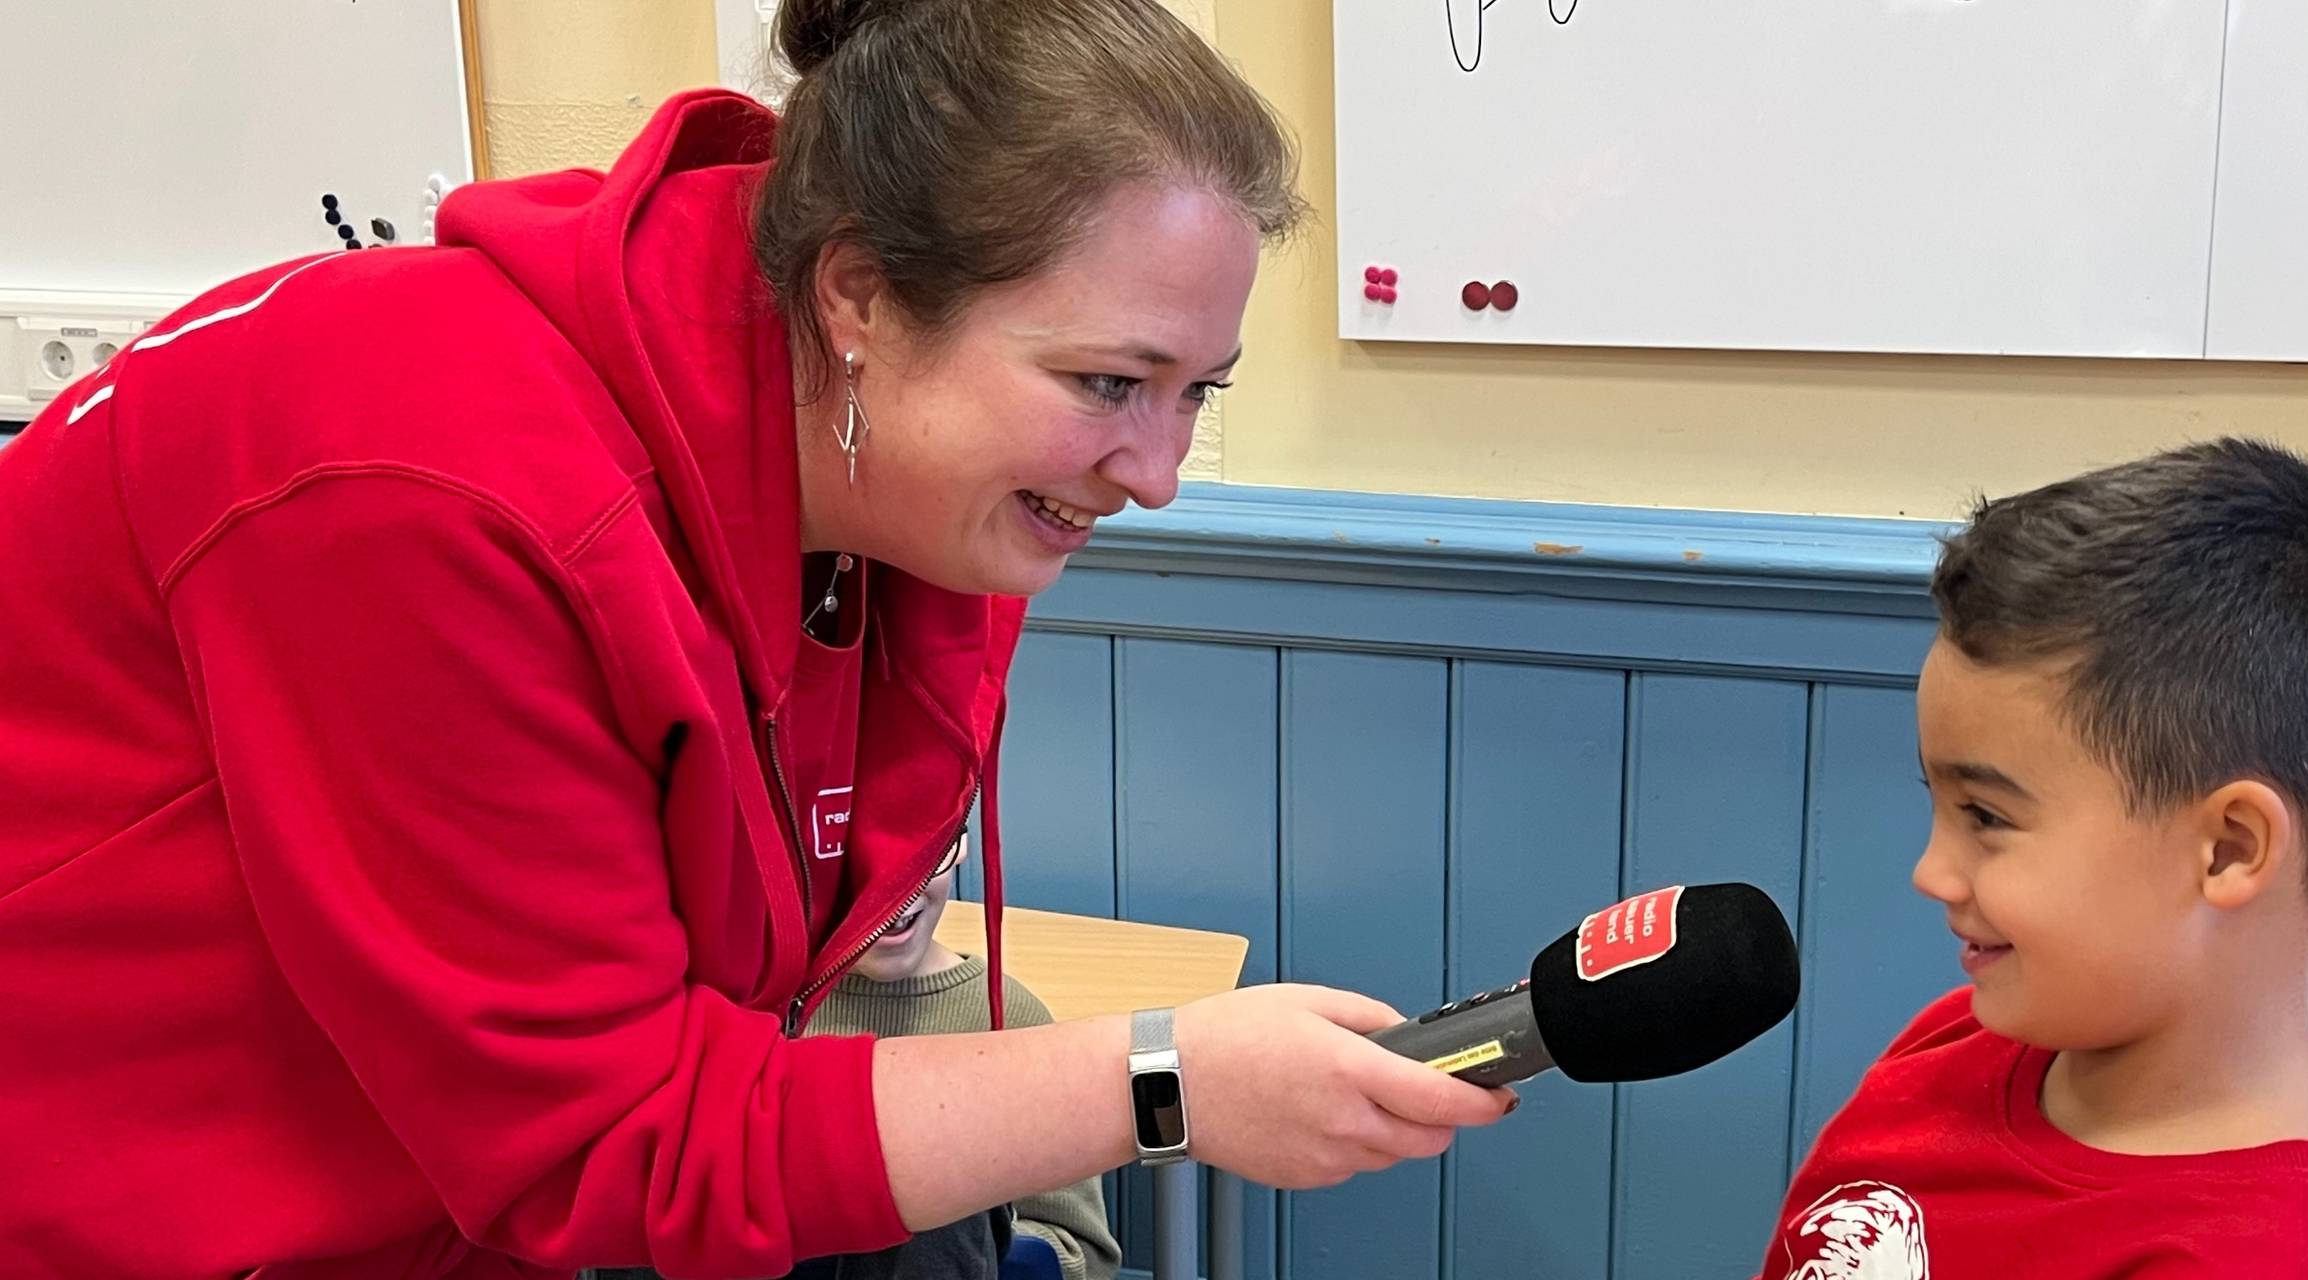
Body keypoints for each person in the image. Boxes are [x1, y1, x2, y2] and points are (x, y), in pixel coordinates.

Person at [0, 2, 1509, 1276]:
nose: (1160, 469)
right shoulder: (421, 479)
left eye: (1202, 391)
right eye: (1113, 381)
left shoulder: (900, 490)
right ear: (858, 292)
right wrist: (1164, 1078)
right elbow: (610, 1140)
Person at [1755, 439, 2308, 1280]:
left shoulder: (2253, 1258)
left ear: (2228, 849)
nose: (1931, 871)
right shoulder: (1955, 1040)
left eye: (1987, 815)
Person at [589, 838, 1122, 1280]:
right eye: (854, 865)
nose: (895, 891)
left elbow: (1078, 1247)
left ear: (960, 848)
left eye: (927, 855)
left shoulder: (1011, 1016)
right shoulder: (746, 1008)